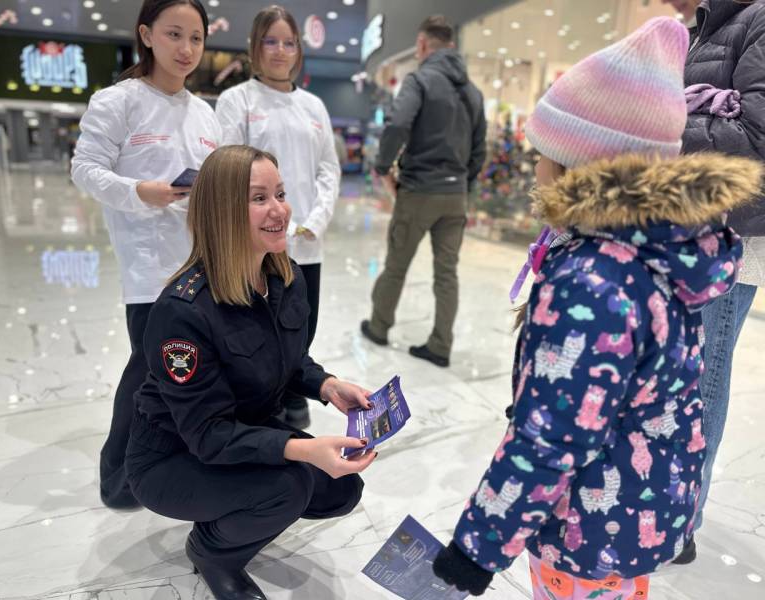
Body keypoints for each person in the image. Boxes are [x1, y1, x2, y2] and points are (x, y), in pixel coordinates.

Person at [429, 17, 763, 598]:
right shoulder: (664, 256)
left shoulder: (590, 282)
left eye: (543, 152)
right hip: (637, 520)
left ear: (576, 163)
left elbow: (552, 437)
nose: (535, 166)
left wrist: (477, 548)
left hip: (583, 533)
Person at [125, 145, 376, 600]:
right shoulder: (183, 312)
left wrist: (326, 385)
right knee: (288, 486)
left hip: (241, 428)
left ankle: (234, 508)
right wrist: (302, 449)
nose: (279, 210)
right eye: (259, 198)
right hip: (174, 455)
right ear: (222, 211)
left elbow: (288, 358)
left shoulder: (283, 276)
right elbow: (208, 436)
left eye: (280, 193)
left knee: (340, 489)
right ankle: (212, 552)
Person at [71, 0, 221, 509]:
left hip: (201, 264)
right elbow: (85, 168)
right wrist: (139, 191)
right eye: (174, 34)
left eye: (196, 38)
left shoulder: (204, 113)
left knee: (185, 370)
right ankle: (117, 477)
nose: (186, 48)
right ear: (146, 34)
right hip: (149, 266)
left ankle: (165, 461)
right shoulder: (118, 101)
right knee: (148, 372)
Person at [662, 0, 765, 564]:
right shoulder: (710, 27)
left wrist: (667, 115)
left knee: (703, 373)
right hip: (691, 224)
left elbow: (756, 133)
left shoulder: (758, 18)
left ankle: (680, 521)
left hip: (731, 233)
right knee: (679, 371)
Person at [215, 5, 340, 430]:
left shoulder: (314, 106)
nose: (280, 50)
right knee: (256, 327)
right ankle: (261, 402)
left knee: (301, 324)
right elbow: (228, 171)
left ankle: (293, 391)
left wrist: (315, 220)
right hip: (256, 243)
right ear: (255, 46)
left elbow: (328, 170)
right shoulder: (237, 101)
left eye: (289, 42)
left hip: (305, 240)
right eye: (271, 41)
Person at [360, 15, 486, 369]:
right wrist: (462, 184)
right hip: (455, 196)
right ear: (452, 45)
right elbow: (480, 149)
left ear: (421, 44)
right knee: (447, 273)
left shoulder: (420, 80)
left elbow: (398, 123)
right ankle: (441, 345)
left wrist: (383, 166)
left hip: (418, 190)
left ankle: (379, 326)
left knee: (396, 265)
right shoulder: (473, 93)